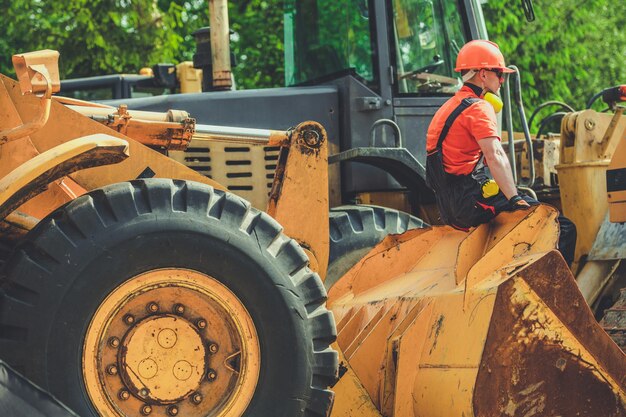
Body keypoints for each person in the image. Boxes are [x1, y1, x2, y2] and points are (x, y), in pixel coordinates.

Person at [425, 40, 576, 266]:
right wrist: (514, 199)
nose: (502, 80)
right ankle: (553, 288)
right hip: (470, 200)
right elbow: (495, 154)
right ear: (483, 74)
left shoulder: (449, 107)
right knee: (563, 227)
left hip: (451, 204)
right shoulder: (478, 108)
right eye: (498, 73)